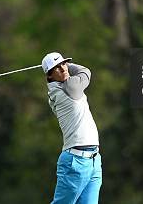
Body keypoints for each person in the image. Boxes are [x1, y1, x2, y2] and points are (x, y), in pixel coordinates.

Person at [43, 51, 102, 204]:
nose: (63, 69)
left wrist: (59, 64)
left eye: (64, 64)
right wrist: (69, 64)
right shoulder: (69, 87)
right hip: (76, 162)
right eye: (57, 68)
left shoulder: (60, 88)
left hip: (94, 160)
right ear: (49, 76)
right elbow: (86, 71)